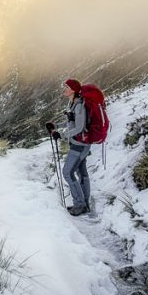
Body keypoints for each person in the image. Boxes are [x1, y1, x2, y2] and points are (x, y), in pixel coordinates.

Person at [60, 79, 91, 216]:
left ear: (73, 89)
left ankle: (80, 205)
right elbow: (72, 122)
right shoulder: (74, 103)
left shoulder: (79, 106)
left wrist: (63, 136)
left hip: (79, 144)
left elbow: (79, 127)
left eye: (66, 87)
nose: (64, 89)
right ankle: (84, 203)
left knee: (67, 172)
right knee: (81, 172)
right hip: (80, 143)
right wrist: (57, 128)